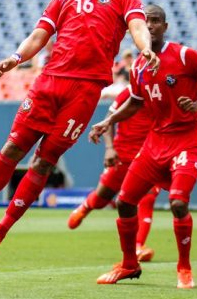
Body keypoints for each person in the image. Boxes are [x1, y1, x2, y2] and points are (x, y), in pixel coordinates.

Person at [0, 0, 159, 262]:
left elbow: (138, 24)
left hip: (85, 91)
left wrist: (144, 47)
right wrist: (15, 58)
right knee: (12, 149)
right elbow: (38, 36)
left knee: (44, 162)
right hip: (49, 83)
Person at [89, 4, 197, 288]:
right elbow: (137, 102)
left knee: (178, 203)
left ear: (164, 26)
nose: (150, 26)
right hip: (155, 142)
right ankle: (129, 264)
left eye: (155, 21)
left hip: (187, 140)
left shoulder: (184, 55)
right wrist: (108, 121)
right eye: (145, 22)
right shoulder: (138, 65)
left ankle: (184, 268)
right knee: (126, 202)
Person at [67, 87, 159, 262]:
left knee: (147, 197)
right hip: (123, 154)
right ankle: (86, 206)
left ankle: (139, 245)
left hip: (149, 155)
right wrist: (110, 148)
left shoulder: (165, 90)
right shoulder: (130, 91)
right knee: (103, 197)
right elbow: (108, 120)